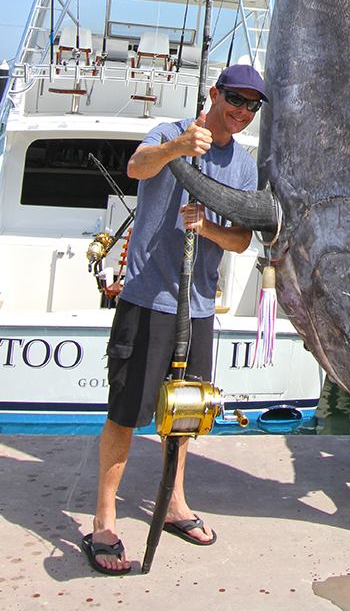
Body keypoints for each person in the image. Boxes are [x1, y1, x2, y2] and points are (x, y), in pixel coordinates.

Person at [82, 63, 264, 575]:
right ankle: (105, 517)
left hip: (198, 306)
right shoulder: (169, 132)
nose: (242, 110)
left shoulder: (244, 167)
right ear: (215, 93)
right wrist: (178, 149)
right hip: (147, 301)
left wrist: (206, 227)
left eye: (252, 104)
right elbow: (137, 168)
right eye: (235, 98)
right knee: (125, 413)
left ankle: (174, 503)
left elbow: (242, 239)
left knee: (183, 413)